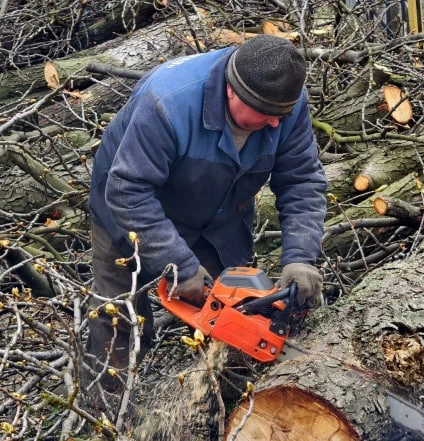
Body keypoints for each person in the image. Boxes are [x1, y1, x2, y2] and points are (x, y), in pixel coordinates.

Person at [84, 34, 327, 411]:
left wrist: (300, 257)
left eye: (282, 113)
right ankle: (105, 423)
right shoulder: (169, 101)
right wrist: (177, 263)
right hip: (128, 213)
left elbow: (302, 180)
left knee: (240, 324)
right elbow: (128, 190)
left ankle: (227, 417)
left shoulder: (286, 105)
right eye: (266, 114)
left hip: (218, 221)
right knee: (120, 320)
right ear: (233, 92)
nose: (277, 122)